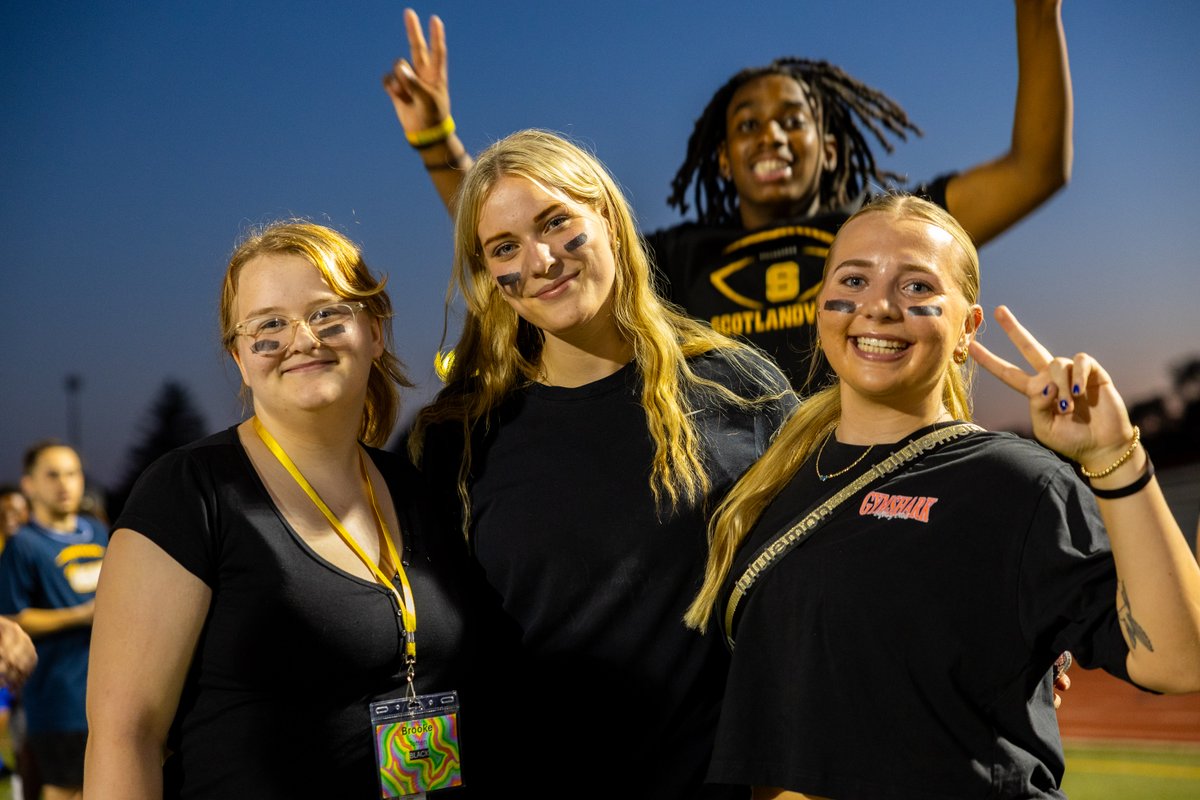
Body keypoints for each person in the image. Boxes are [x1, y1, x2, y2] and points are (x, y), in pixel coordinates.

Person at [684, 194, 1200, 798]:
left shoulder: (1014, 482)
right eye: (854, 279)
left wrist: (1117, 457)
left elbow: (1178, 661)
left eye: (915, 287)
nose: (878, 306)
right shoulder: (767, 480)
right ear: (821, 306)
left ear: (967, 329)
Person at [383, 1, 1072, 389]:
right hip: (739, 502)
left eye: (791, 121)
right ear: (723, 156)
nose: (769, 136)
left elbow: (1036, 169)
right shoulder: (681, 256)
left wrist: (1036, 17)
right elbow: (531, 240)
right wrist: (440, 145)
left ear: (828, 148)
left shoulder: (884, 234)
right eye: (747, 126)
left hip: (868, 480)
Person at [408, 129, 796, 799]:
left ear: (609, 220)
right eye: (505, 247)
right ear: (491, 277)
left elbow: (842, 566)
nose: (540, 259)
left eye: (556, 223)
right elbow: (422, 651)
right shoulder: (459, 437)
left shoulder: (738, 389)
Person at [83, 222, 477, 799]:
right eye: (269, 326)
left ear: (375, 331)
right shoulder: (189, 492)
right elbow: (126, 737)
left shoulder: (413, 489)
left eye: (326, 313)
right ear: (241, 357)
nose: (302, 339)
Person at [0, 442, 105, 800]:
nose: (65, 484)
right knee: (65, 788)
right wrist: (81, 615)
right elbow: (12, 619)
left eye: (72, 473)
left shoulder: (97, 531)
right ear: (28, 485)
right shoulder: (24, 545)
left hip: (106, 690)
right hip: (58, 697)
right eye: (52, 475)